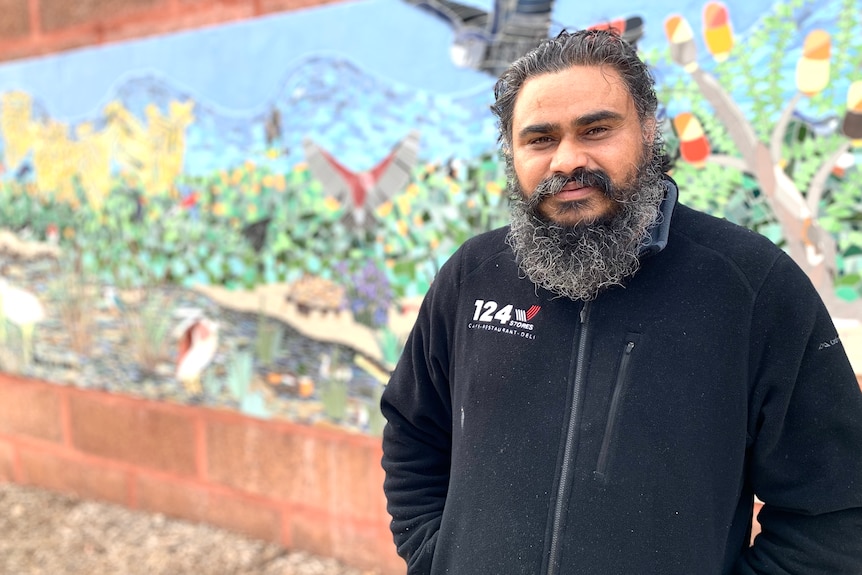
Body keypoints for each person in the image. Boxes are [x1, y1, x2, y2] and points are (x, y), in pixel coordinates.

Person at [380, 29, 862, 575]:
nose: (567, 159)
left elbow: (832, 510)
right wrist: (438, 556)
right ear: (512, 153)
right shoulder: (474, 275)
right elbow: (412, 429)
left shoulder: (752, 286)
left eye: (597, 129)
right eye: (539, 139)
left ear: (648, 131)